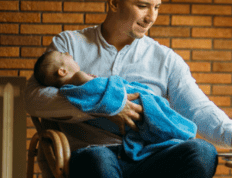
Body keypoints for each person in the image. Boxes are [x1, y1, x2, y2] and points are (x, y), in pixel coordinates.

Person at [24, 0, 232, 177]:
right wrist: (108, 106)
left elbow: (197, 107)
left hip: (149, 157)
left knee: (202, 152)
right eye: (143, 6)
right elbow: (34, 99)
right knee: (98, 160)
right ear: (113, 2)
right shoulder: (69, 46)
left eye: (157, 7)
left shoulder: (165, 58)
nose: (151, 17)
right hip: (92, 154)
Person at [33, 50, 198, 161]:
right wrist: (113, 91)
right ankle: (183, 132)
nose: (68, 54)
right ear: (62, 71)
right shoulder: (78, 78)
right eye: (64, 54)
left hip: (116, 129)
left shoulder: (68, 91)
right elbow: (102, 89)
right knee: (158, 112)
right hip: (129, 103)